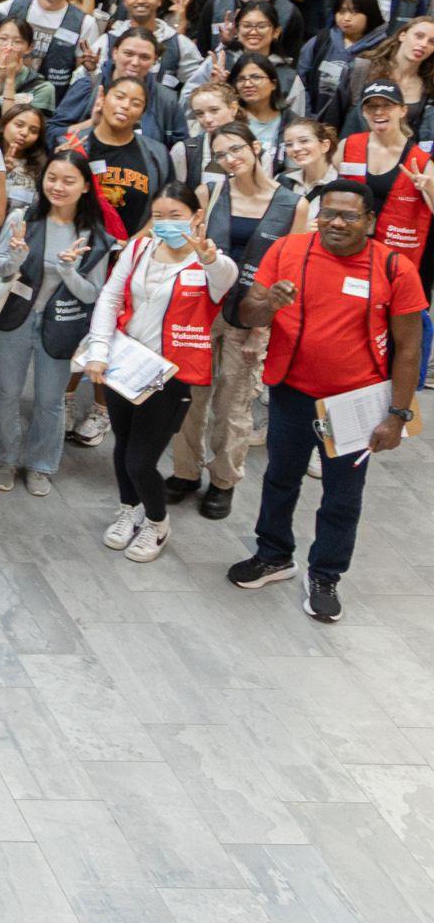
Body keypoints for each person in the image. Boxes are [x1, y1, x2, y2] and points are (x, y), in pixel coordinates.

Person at [227, 181, 427, 622]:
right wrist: (270, 305)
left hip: (354, 405)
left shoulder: (396, 268)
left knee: (342, 495)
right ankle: (274, 555)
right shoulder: (287, 250)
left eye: (349, 216)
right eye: (328, 214)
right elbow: (248, 314)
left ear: (370, 221)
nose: (336, 223)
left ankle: (326, 574)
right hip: (291, 392)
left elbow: (409, 348)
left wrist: (397, 415)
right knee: (280, 478)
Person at [81, 186, 238, 564]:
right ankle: (128, 507)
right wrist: (99, 350)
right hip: (125, 363)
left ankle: (156, 521)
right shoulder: (138, 250)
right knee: (122, 442)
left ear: (197, 216)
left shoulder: (209, 262)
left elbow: (225, 279)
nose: (166, 223)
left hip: (169, 374)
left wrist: (209, 259)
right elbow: (110, 297)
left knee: (141, 458)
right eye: (160, 215)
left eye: (176, 214)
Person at [165, 120, 306, 519]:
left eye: (235, 149)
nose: (230, 159)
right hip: (203, 308)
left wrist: (266, 326)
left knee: (234, 403)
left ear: (256, 147)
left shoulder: (292, 204)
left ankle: (223, 480)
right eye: (221, 154)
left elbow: (290, 270)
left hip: (253, 316)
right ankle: (185, 470)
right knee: (189, 394)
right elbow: (188, 251)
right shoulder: (209, 192)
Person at [0, 150, 110, 495]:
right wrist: (16, 257)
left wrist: (69, 270)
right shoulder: (22, 217)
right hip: (14, 318)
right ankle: (3, 458)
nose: (58, 186)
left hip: (62, 325)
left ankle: (41, 464)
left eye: (69, 180)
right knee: (7, 393)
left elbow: (91, 294)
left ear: (85, 187)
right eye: (52, 178)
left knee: (50, 399)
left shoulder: (92, 234)